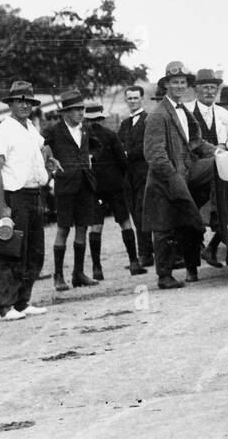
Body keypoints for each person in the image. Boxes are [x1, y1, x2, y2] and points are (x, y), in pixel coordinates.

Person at [144, 61, 218, 288]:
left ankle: (216, 220)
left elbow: (194, 141)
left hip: (187, 171)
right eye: (174, 82)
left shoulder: (182, 110)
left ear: (187, 85)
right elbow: (154, 154)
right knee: (165, 227)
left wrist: (218, 152)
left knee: (220, 166)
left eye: (182, 83)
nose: (178, 86)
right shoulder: (158, 115)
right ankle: (164, 276)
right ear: (166, 85)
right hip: (165, 180)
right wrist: (174, 177)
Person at [0, 80, 51, 321]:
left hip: (35, 195)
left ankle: (23, 301)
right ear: (11, 104)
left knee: (35, 252)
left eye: (28, 101)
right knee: (12, 251)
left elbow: (44, 148)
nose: (24, 105)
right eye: (19, 101)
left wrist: (50, 159)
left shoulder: (31, 129)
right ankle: (6, 305)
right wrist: (2, 207)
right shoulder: (2, 132)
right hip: (15, 196)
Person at [41, 89, 99, 291]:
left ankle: (79, 273)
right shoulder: (53, 131)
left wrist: (90, 161)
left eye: (82, 109)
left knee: (83, 227)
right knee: (63, 228)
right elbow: (41, 148)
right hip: (65, 186)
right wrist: (50, 163)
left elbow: (94, 148)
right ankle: (58, 276)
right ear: (65, 112)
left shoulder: (86, 129)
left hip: (85, 184)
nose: (80, 113)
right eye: (75, 110)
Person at [189, 70, 228, 268]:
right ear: (196, 89)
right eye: (205, 87)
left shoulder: (222, 113)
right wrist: (214, 151)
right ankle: (197, 254)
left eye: (213, 88)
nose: (210, 92)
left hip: (220, 169)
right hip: (195, 167)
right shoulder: (187, 111)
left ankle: (213, 247)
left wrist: (227, 143)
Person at [85, 103, 145, 276]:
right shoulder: (110, 135)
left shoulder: (83, 137)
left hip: (94, 187)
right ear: (101, 118)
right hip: (114, 185)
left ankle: (97, 268)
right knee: (125, 222)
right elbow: (123, 161)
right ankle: (133, 262)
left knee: (96, 226)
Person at [118, 85, 155, 269]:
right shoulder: (124, 124)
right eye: (129, 98)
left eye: (135, 98)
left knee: (143, 213)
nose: (132, 101)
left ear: (142, 99)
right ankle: (145, 254)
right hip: (129, 177)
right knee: (134, 213)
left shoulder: (148, 120)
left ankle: (146, 255)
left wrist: (126, 154)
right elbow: (118, 147)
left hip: (145, 174)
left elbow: (145, 147)